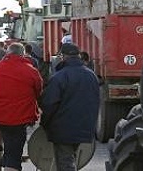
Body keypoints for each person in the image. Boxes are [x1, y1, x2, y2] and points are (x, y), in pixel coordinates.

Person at [0, 42, 43, 171]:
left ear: (7, 53)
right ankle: (10, 164)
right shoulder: (31, 71)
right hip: (18, 118)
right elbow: (38, 92)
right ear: (23, 55)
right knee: (14, 155)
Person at [40, 43, 99, 171]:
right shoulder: (91, 75)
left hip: (63, 128)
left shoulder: (59, 77)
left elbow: (49, 104)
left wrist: (44, 124)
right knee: (70, 159)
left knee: (65, 163)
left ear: (62, 57)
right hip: (84, 126)